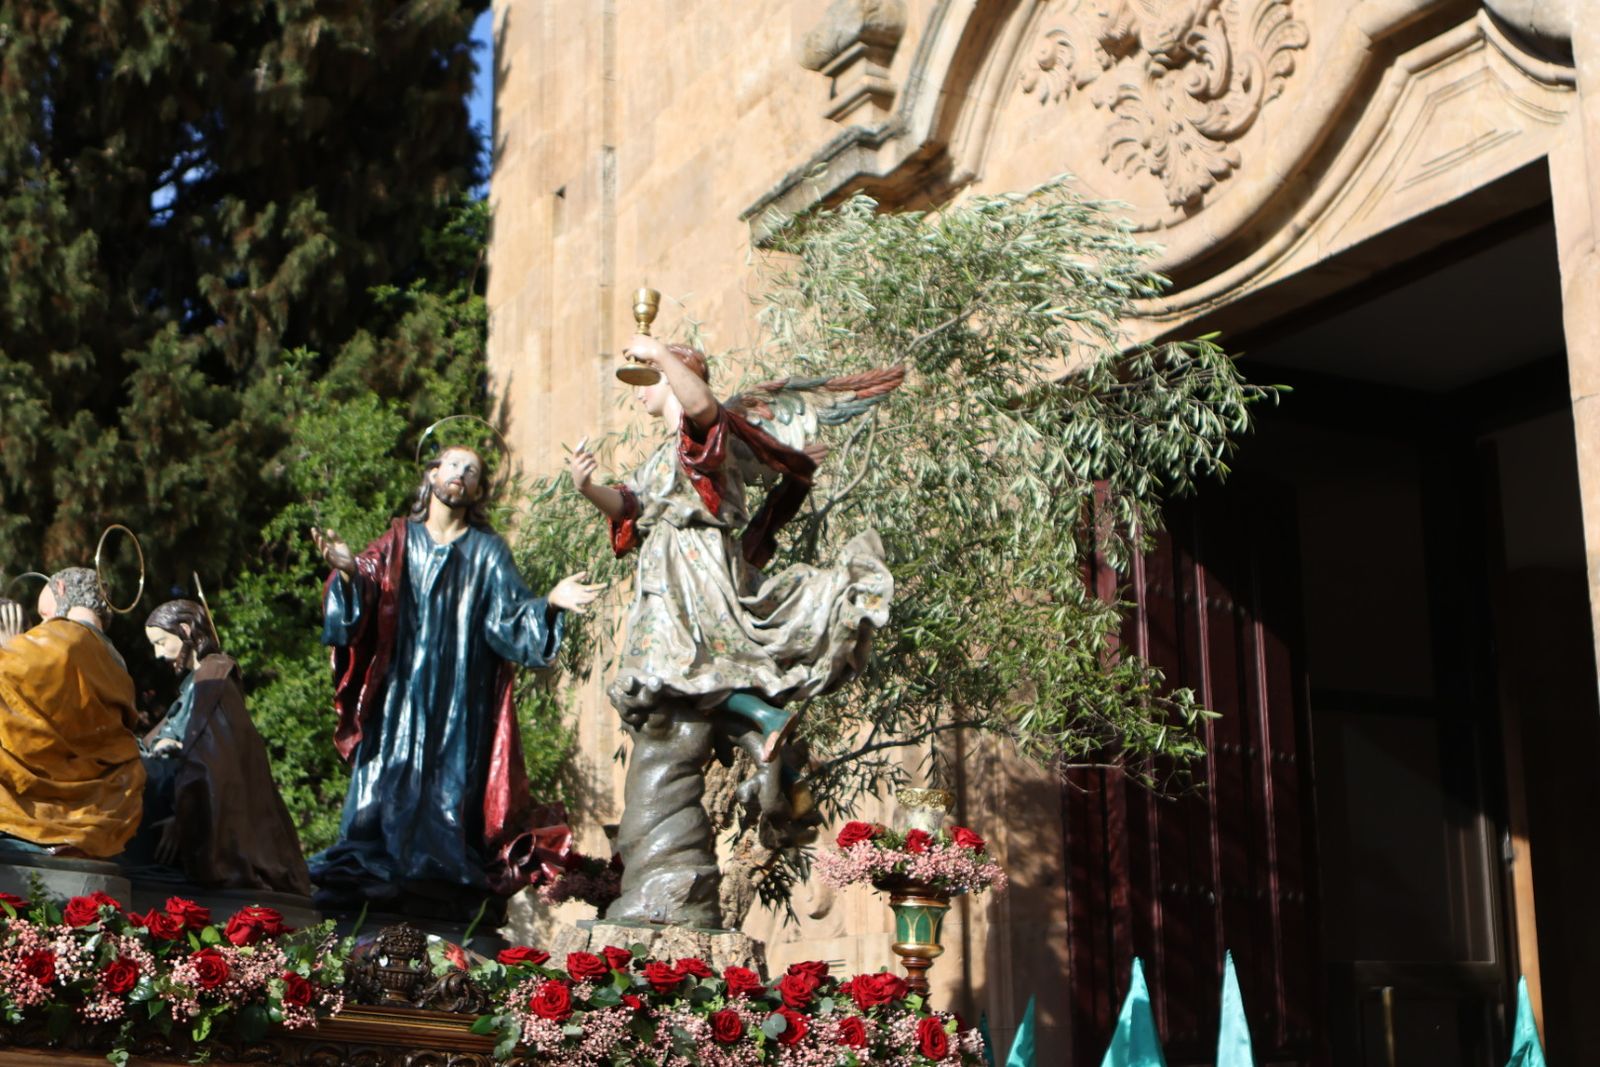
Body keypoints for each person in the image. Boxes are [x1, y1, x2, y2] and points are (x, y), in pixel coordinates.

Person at [569, 335, 893, 925]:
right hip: (663, 568)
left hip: (695, 567)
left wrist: (659, 352)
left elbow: (705, 411)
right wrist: (586, 485)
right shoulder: (659, 453)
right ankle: (765, 730)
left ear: (674, 379)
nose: (644, 392)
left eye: (654, 381)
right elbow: (629, 507)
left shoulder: (701, 436)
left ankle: (765, 734)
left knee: (681, 670)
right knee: (672, 679)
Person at [310, 444, 601, 916]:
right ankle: (375, 877)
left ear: (479, 489)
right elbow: (363, 592)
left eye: (472, 471)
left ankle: (440, 884)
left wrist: (548, 602)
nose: (461, 475)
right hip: (399, 700)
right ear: (431, 475)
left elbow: (510, 619)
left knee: (450, 796)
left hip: (459, 702)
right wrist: (345, 573)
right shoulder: (398, 541)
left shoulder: (487, 552)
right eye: (453, 466)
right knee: (380, 794)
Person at [124, 599, 311, 894]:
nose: (158, 654)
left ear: (185, 630)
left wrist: (185, 815)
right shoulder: (196, 683)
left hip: (184, 807)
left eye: (161, 642)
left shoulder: (214, 680)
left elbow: (215, 764)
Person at [0, 569, 144, 858]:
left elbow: (15, 686)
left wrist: (8, 645)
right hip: (101, 802)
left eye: (43, 615)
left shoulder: (64, 635)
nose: (42, 625)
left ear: (61, 589)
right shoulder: (116, 662)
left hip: (32, 795)